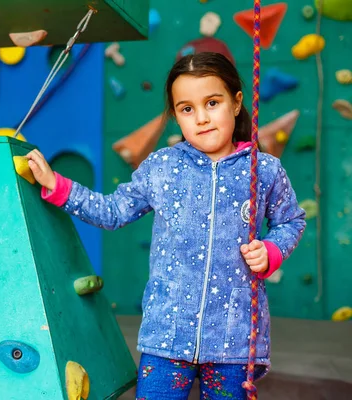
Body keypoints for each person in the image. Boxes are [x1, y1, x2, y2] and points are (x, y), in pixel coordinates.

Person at [25, 52, 307, 399]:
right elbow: (113, 210)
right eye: (187, 109)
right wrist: (57, 186)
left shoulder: (263, 170)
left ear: (236, 104)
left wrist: (272, 249)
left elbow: (291, 220)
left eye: (212, 103)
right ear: (175, 115)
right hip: (167, 333)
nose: (201, 118)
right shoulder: (162, 167)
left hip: (234, 336)